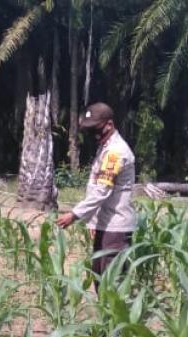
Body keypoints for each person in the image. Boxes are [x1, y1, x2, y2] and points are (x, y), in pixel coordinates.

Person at [55, 102, 136, 288]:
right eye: (89, 131)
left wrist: (74, 215)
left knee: (111, 281)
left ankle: (114, 317)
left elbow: (102, 191)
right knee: (99, 275)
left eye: (96, 129)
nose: (93, 135)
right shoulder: (105, 147)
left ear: (109, 124)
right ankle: (105, 316)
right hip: (105, 223)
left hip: (116, 226)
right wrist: (94, 221)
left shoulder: (116, 152)